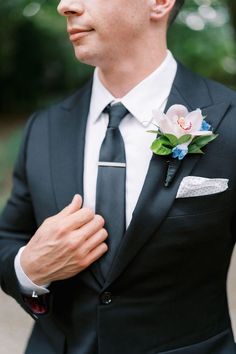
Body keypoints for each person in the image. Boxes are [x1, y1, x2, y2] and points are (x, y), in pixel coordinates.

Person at [0, 0, 236, 353]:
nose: (65, 5)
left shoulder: (229, 121)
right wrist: (28, 268)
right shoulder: (43, 128)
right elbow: (8, 237)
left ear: (158, 3)